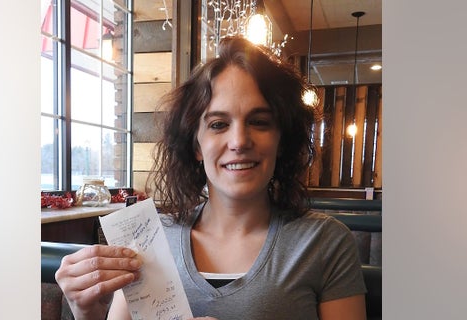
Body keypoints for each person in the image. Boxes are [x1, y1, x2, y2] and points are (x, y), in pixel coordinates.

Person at [55, 36, 367, 320]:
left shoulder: (324, 242)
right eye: (218, 124)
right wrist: (87, 313)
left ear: (281, 140)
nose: (240, 141)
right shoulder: (152, 239)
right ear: (196, 146)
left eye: (259, 122)